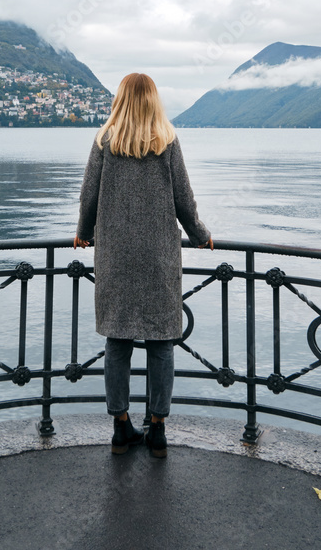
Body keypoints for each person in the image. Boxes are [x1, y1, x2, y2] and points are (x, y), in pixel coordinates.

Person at [74, 72, 213, 458]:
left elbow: (88, 197)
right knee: (161, 342)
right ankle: (158, 429)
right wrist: (200, 235)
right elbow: (184, 199)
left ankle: (120, 428)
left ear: (120, 99)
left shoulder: (105, 140)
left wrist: (84, 232)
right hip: (158, 257)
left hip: (115, 256)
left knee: (117, 341)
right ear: (153, 100)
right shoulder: (167, 141)